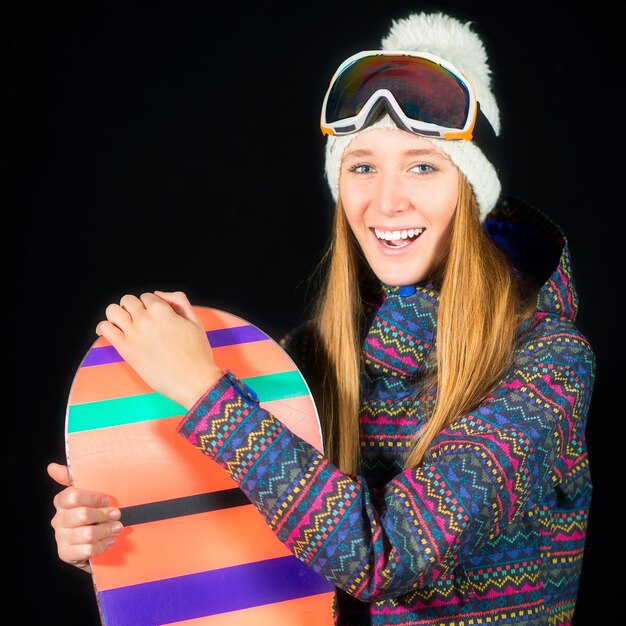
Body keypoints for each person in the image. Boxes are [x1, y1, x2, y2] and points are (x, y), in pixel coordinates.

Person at [47, 11, 595, 625]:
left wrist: (204, 392)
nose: (386, 201)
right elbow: (264, 544)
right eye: (362, 166)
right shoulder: (308, 354)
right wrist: (124, 540)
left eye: (422, 165)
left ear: (472, 189)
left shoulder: (547, 364)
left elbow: (388, 557)